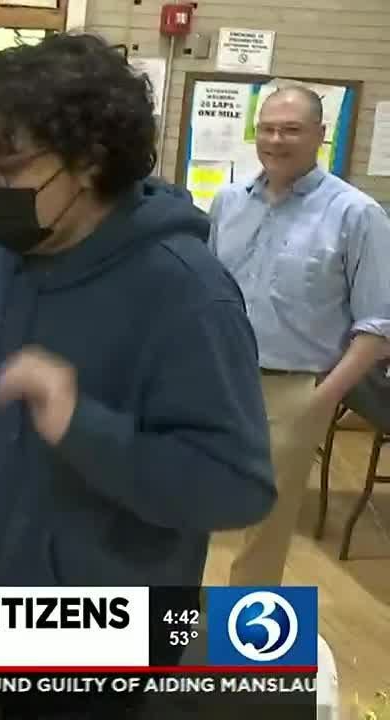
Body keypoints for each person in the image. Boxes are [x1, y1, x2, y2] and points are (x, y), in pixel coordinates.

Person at [0, 34, 274, 591]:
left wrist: (83, 427)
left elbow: (236, 486)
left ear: (90, 162)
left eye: (10, 170)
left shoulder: (186, 291)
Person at [210, 85, 390, 586]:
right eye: (266, 128)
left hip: (295, 387)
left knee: (264, 523)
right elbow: (204, 290)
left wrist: (321, 399)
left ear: (320, 135)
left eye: (291, 129)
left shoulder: (357, 214)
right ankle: (174, 626)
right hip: (216, 378)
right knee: (192, 500)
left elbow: (378, 327)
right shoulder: (228, 202)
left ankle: (241, 645)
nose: (275, 139)